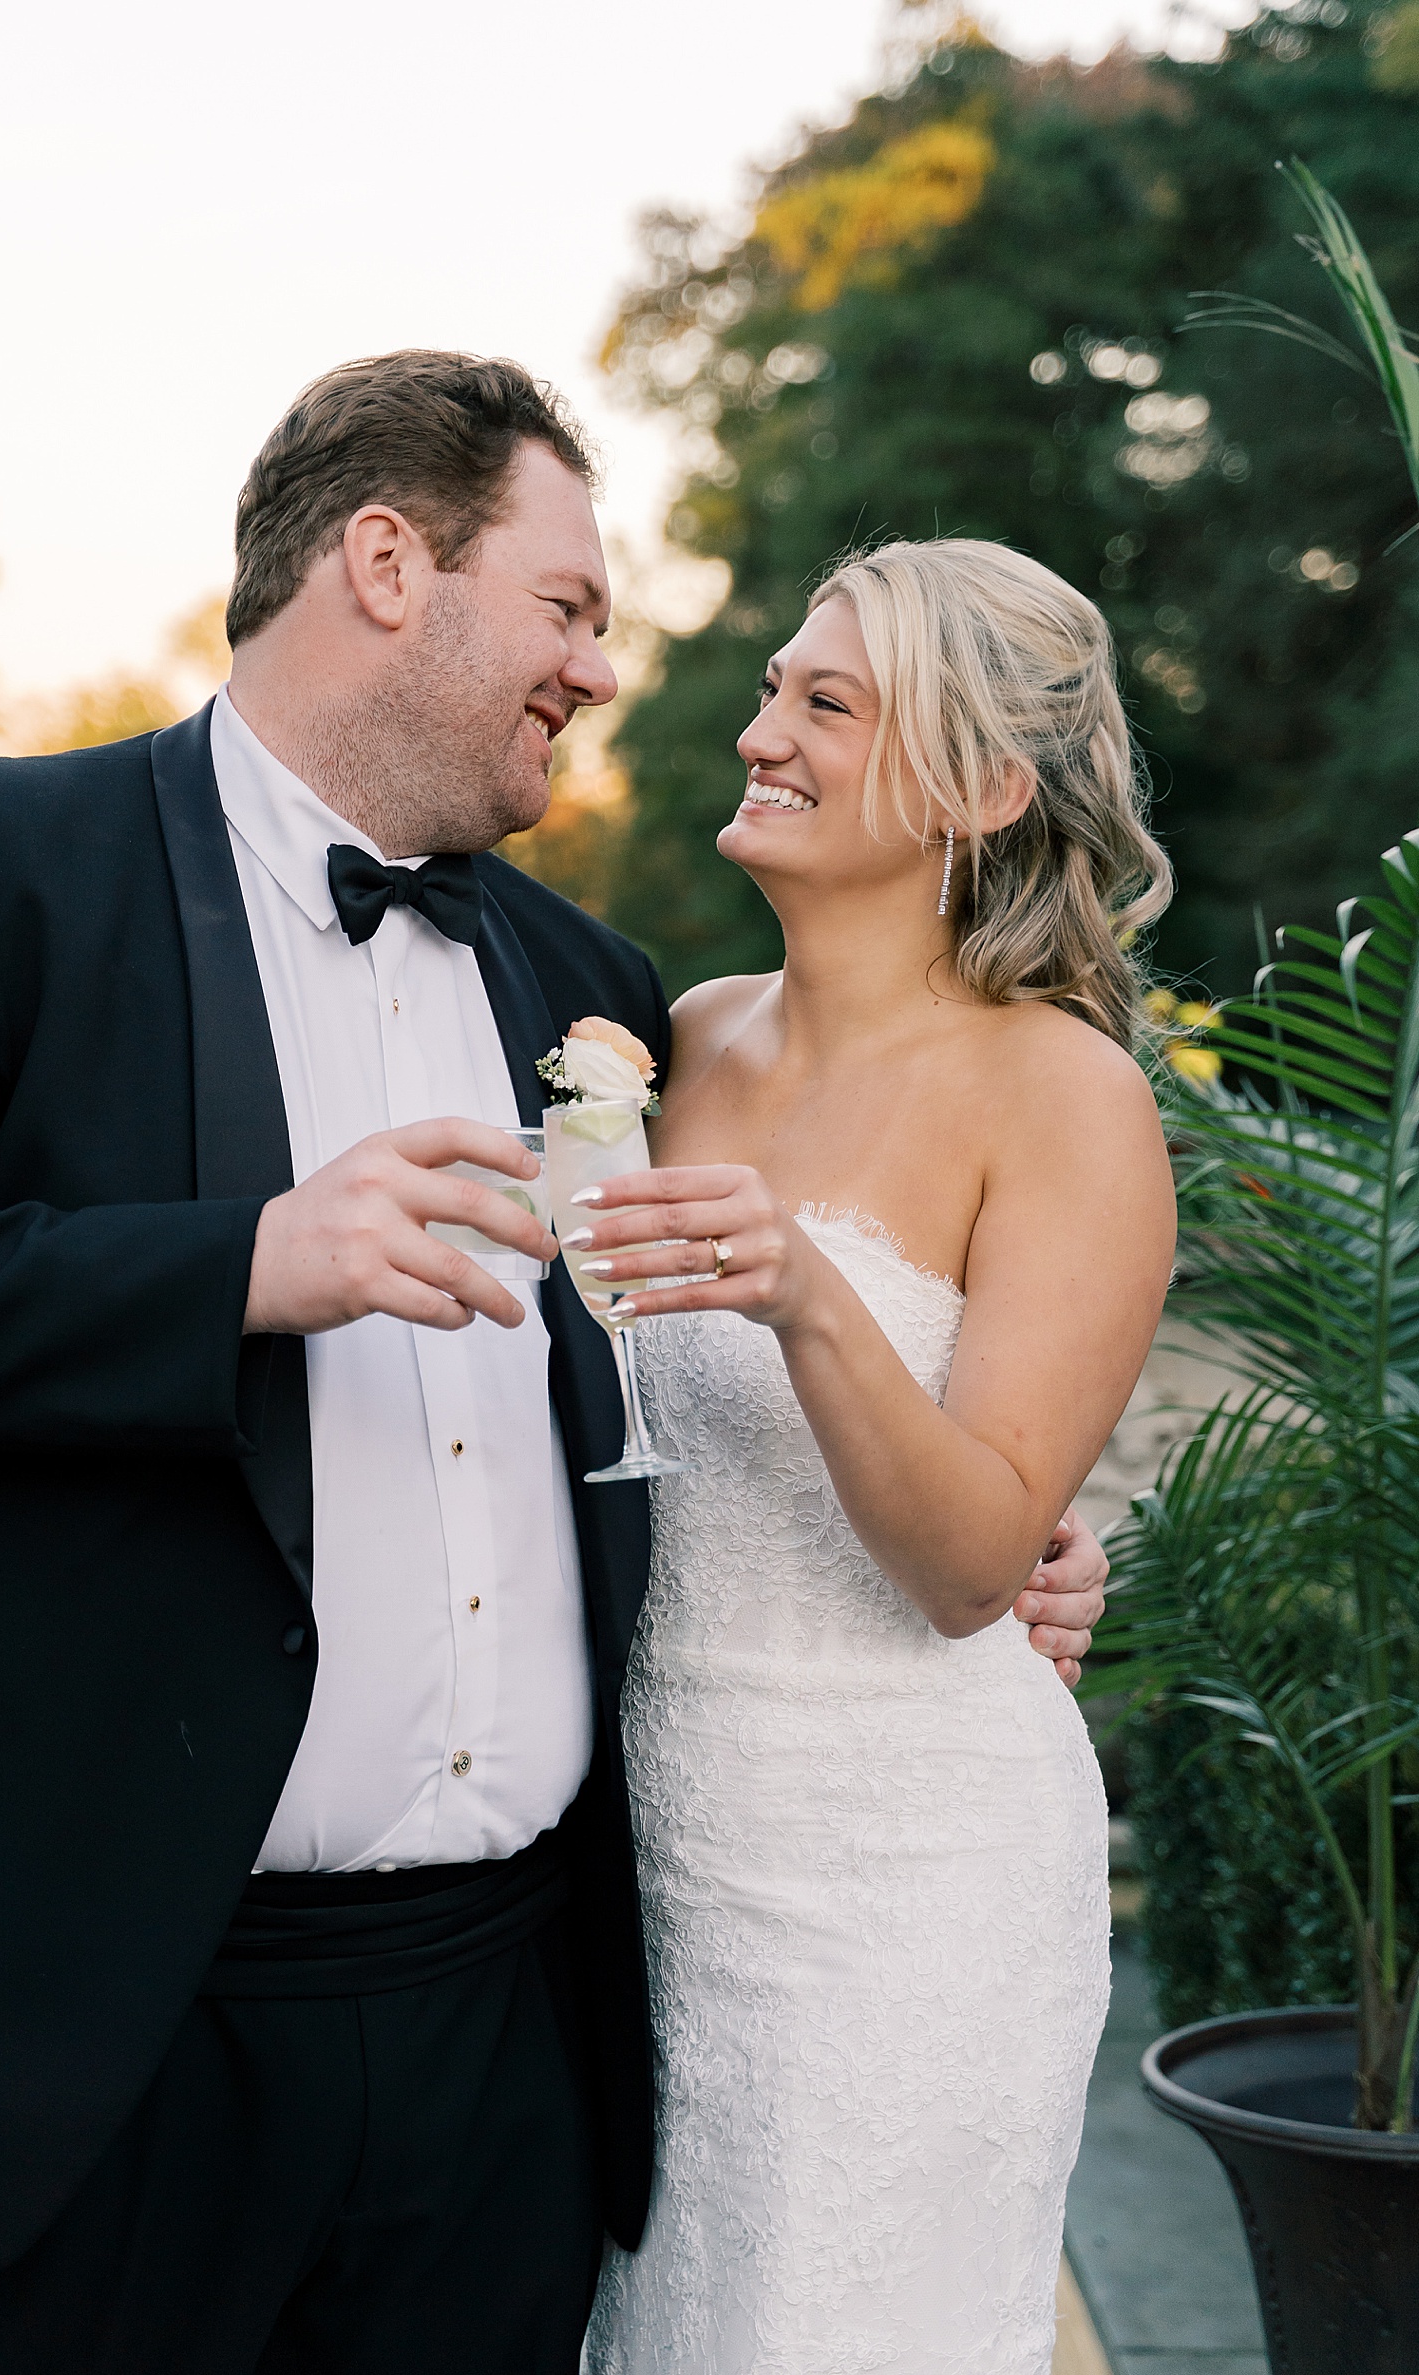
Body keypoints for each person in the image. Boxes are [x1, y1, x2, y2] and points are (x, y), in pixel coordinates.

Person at [0, 361, 1109, 2373]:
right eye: (568, 607)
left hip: (505, 2037)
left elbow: (687, 1399)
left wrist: (1005, 1545)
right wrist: (250, 1263)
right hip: (94, 2024)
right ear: (389, 564)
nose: (604, 673)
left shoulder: (594, 993)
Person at [576, 538, 1176, 2373]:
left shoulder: (1064, 1096)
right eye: (776, 688)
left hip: (913, 1876)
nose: (761, 732)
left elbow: (973, 1563)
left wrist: (811, 1298)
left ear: (982, 790)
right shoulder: (679, 1042)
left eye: (827, 703)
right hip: (656, 1857)